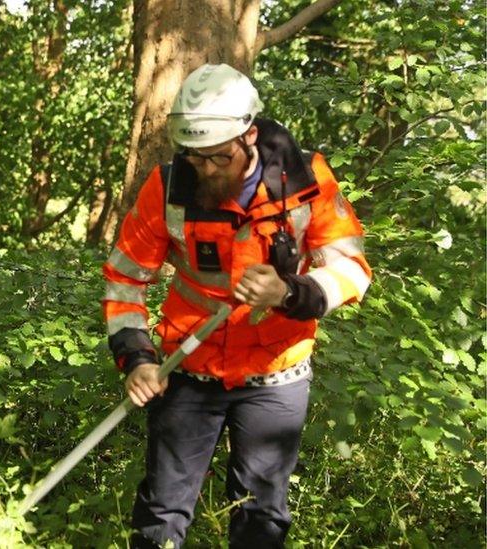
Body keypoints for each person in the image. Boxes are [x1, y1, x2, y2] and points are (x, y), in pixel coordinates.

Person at [102, 64, 372, 548]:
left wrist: (289, 293)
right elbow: (125, 279)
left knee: (261, 516)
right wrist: (138, 360)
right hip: (188, 366)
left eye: (219, 158)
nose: (206, 170)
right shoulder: (167, 187)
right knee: (161, 510)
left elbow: (352, 271)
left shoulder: (307, 181)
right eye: (194, 158)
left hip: (276, 373)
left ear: (249, 136)